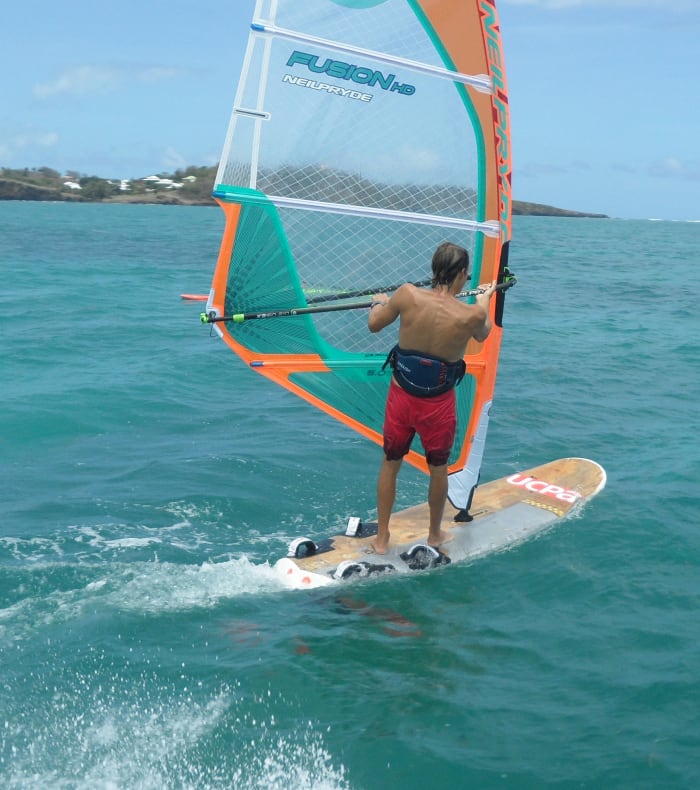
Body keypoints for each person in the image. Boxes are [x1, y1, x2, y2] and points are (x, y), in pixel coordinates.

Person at [367, 241, 497, 554]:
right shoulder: (470, 315)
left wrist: (378, 302)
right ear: (462, 274)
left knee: (390, 463)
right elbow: (484, 333)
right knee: (438, 468)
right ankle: (434, 535)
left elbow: (374, 324)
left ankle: (382, 538)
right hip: (437, 406)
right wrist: (484, 301)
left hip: (401, 398)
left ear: (434, 269)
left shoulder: (407, 294)